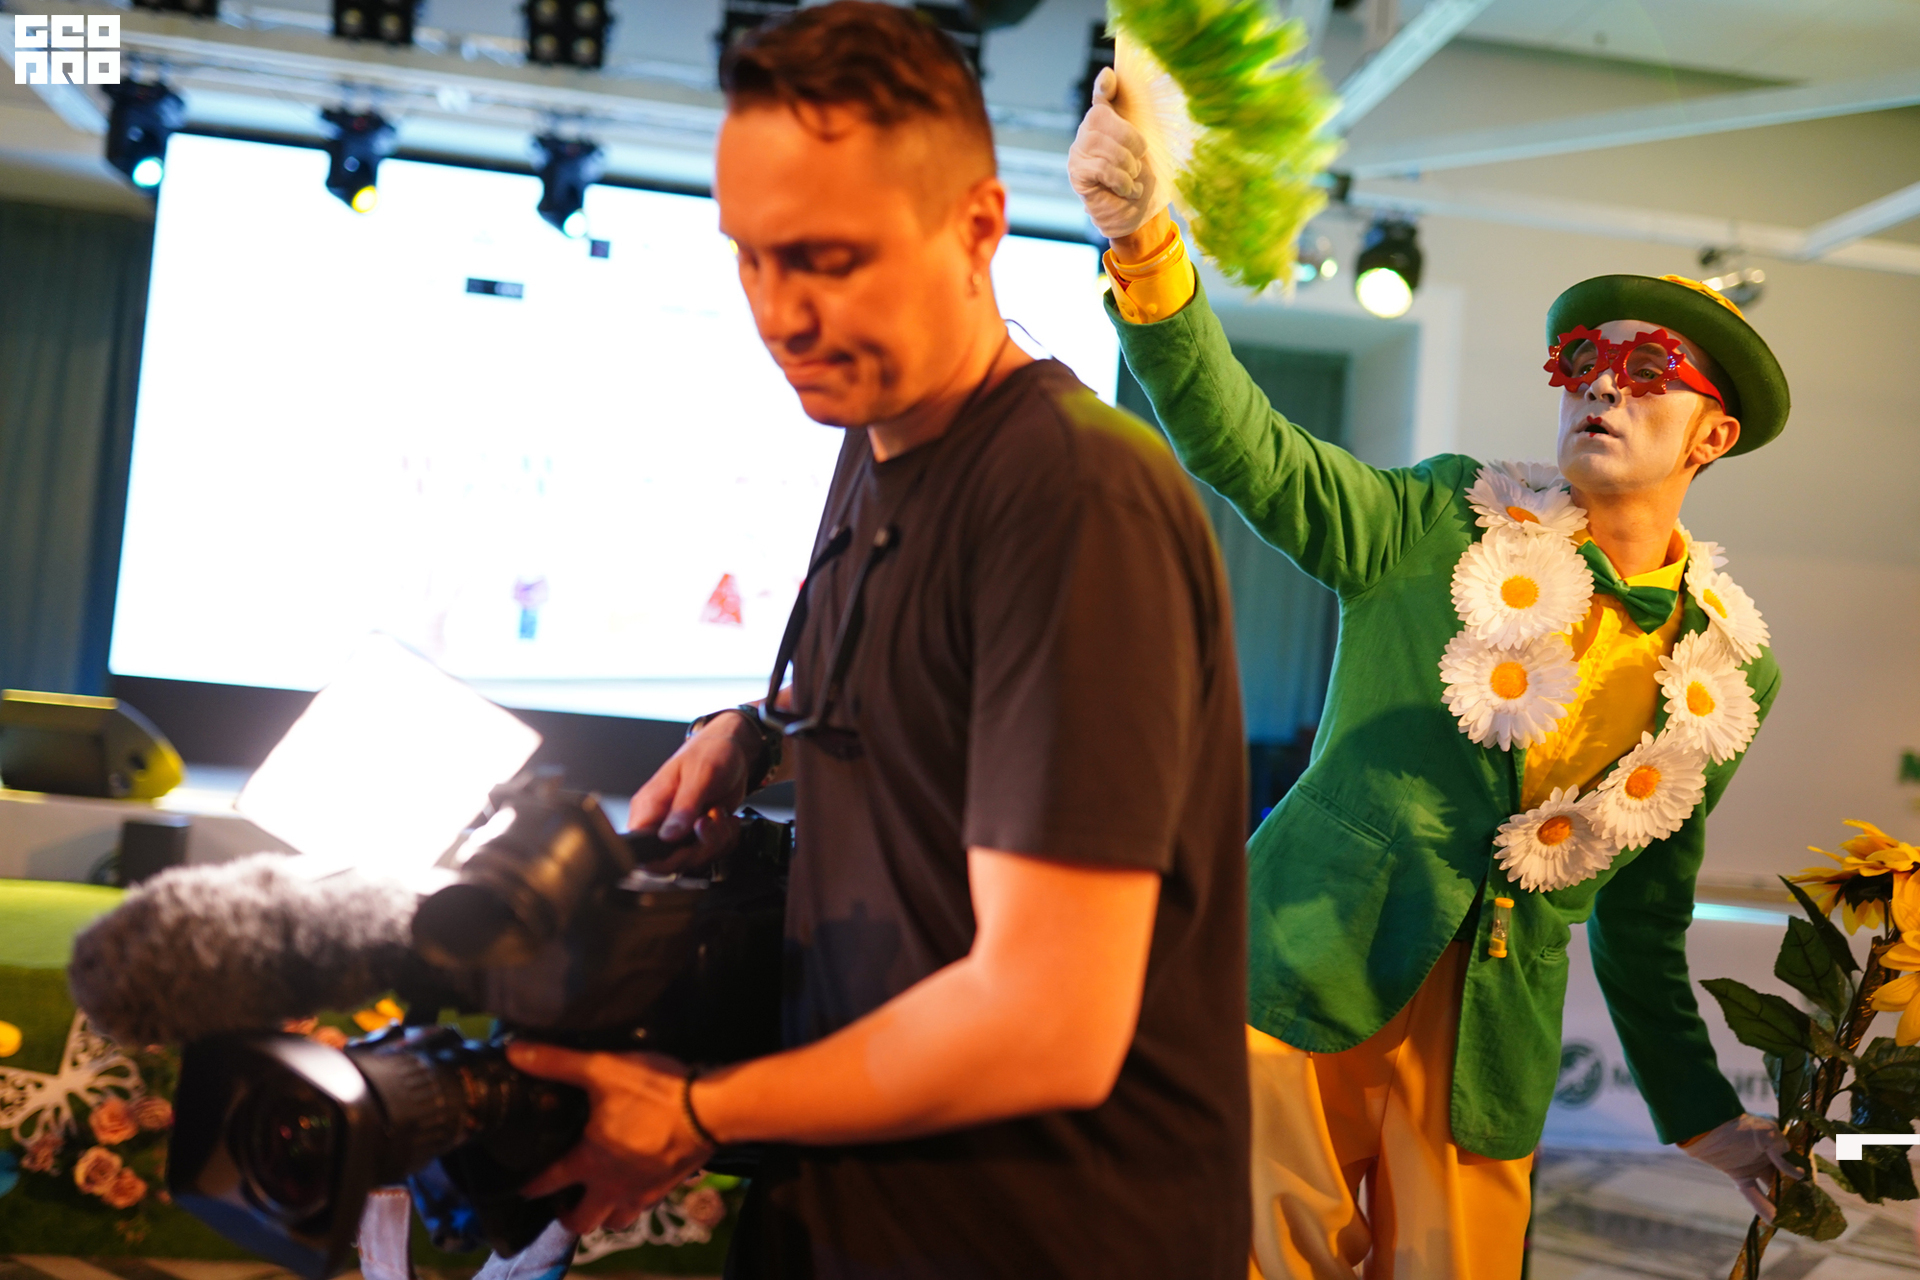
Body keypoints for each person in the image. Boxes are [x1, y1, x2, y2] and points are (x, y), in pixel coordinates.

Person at [506, 6, 1252, 1277]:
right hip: (852, 1209)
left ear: (978, 227)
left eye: (831, 259)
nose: (782, 312)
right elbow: (932, 694)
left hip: (1037, 1240)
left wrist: (697, 1112)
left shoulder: (1075, 494)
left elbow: (1049, 1022)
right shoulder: (878, 435)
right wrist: (757, 736)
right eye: (752, 258)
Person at [1067, 75, 1796, 1279]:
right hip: (1294, 981)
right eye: (1581, 357)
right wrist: (1145, 242)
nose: (1602, 381)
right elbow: (1246, 444)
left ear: (1713, 436)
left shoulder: (1728, 667)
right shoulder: (1436, 522)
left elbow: (1644, 919)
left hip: (1486, 1057)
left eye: (1649, 364)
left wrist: (1704, 1118)